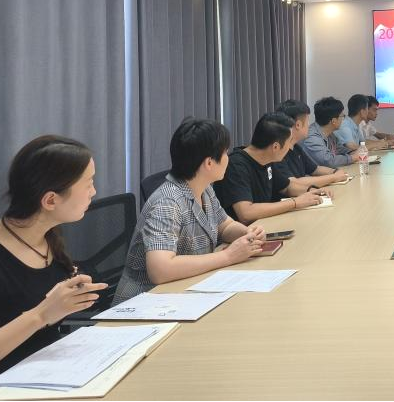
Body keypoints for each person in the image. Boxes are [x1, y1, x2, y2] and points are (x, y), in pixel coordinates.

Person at [0, 136, 106, 382]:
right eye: (88, 184)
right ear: (51, 200)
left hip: (49, 373)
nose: (94, 192)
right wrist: (41, 315)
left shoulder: (46, 237)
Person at [114, 119, 264, 304]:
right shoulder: (167, 202)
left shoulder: (205, 188)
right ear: (209, 163)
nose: (228, 158)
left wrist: (247, 234)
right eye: (225, 153)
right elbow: (160, 270)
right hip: (145, 302)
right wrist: (228, 256)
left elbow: (224, 226)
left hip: (185, 290)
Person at [213, 113, 328, 223]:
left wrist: (312, 191)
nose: (290, 147)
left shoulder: (267, 159)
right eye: (289, 142)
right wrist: (295, 203)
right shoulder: (236, 165)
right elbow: (246, 213)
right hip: (246, 232)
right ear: (275, 147)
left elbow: (286, 187)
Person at [274, 100, 350, 191]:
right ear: (298, 125)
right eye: (307, 122)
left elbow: (315, 169)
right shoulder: (277, 152)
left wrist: (335, 171)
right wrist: (333, 177)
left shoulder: (296, 147)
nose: (309, 126)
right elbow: (292, 183)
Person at [301, 97, 361, 169]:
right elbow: (328, 161)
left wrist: (354, 152)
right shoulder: (312, 137)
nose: (343, 119)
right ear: (333, 121)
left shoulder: (330, 134)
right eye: (342, 116)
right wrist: (353, 158)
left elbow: (341, 150)